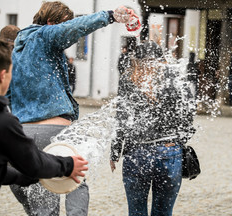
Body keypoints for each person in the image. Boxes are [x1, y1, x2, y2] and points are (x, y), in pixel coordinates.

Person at [8, 1, 136, 215]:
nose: (70, 39)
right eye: (64, 25)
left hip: (25, 132)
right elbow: (75, 27)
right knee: (76, 180)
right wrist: (111, 15)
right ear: (51, 22)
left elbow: (8, 94)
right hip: (54, 130)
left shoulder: (17, 51)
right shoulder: (46, 35)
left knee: (43, 187)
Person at [0, 38, 88, 216]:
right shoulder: (1, 122)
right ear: (2, 76)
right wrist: (68, 164)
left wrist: (24, 178)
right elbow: (34, 162)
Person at [110, 41, 196, 216]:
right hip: (169, 152)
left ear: (136, 60)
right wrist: (178, 141)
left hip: (136, 152)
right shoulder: (175, 78)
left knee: (136, 212)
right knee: (163, 212)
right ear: (162, 59)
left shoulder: (128, 79)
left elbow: (121, 118)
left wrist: (115, 151)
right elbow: (188, 113)